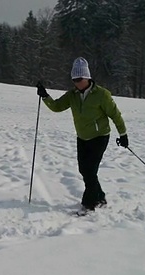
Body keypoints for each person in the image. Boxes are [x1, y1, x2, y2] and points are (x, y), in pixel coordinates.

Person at [36, 57, 129, 215]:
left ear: (87, 77)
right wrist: (45, 96)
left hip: (100, 136)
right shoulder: (72, 95)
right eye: (74, 79)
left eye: (79, 79)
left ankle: (89, 204)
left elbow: (115, 115)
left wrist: (123, 134)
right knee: (84, 170)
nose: (77, 82)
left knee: (89, 171)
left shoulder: (102, 95)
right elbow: (57, 107)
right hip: (82, 137)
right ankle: (100, 197)